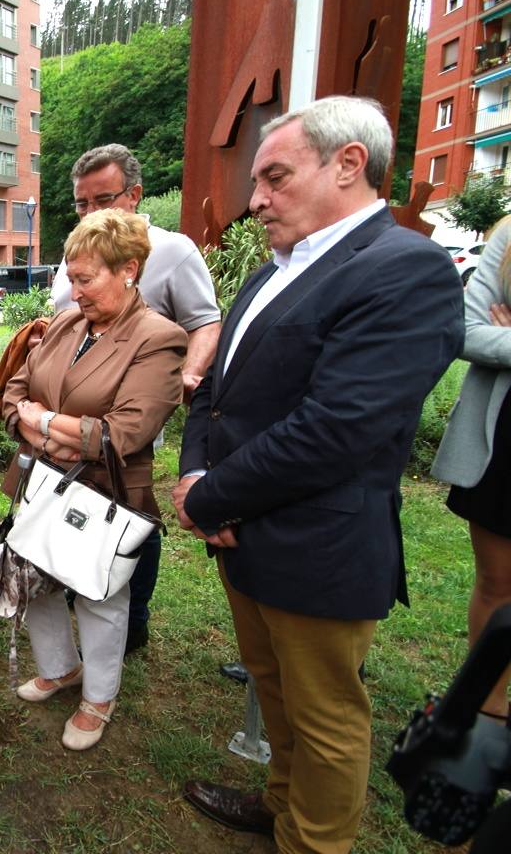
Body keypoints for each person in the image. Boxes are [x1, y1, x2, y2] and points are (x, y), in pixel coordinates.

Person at [173, 96, 463, 853]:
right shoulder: (279, 267)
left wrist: (209, 494)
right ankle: (280, 809)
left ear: (348, 163)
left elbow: (339, 430)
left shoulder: (406, 268)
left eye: (274, 177)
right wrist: (198, 474)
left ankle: (314, 843)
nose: (256, 199)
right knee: (274, 691)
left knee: (325, 713)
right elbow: (216, 392)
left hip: (317, 541)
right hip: (241, 530)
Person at [3, 209, 185, 751]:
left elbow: (123, 432)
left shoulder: (159, 338)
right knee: (34, 575)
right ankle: (60, 668)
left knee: (99, 594)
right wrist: (43, 428)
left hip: (103, 493)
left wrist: (42, 421)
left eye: (85, 279)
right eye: (70, 278)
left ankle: (99, 697)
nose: (74, 292)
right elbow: (14, 392)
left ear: (129, 269)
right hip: (38, 477)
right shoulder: (64, 323)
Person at [51, 144, 221, 655]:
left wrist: (184, 377)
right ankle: (77, 587)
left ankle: (133, 616)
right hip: (68, 408)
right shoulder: (76, 250)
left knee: (128, 510)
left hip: (128, 410)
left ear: (135, 194)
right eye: (81, 204)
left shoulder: (172, 249)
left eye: (102, 199)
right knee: (73, 499)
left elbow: (205, 321)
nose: (90, 212)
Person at [432, 215, 511, 720]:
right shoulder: (508, 238)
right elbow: (467, 331)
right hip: (504, 434)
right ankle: (488, 708)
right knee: (498, 582)